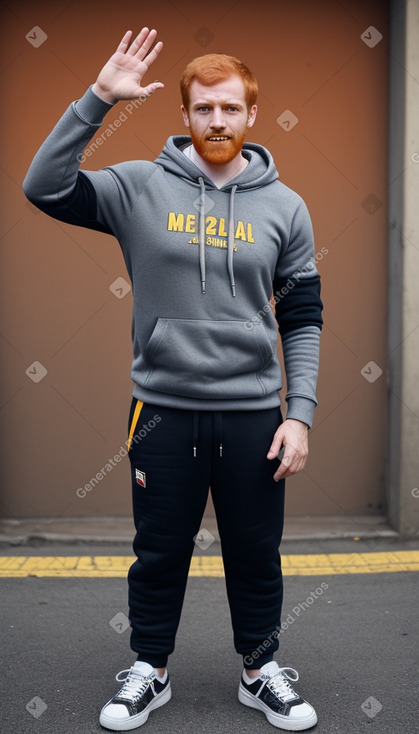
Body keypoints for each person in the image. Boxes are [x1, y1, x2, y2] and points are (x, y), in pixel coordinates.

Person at [23, 27, 323, 732]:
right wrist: (98, 99)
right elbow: (43, 186)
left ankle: (259, 673)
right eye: (202, 109)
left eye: (229, 108)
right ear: (183, 115)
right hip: (160, 411)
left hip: (254, 414)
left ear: (251, 115)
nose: (216, 121)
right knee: (158, 552)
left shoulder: (286, 208)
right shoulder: (136, 186)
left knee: (255, 553)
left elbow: (302, 318)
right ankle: (149, 671)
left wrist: (299, 413)